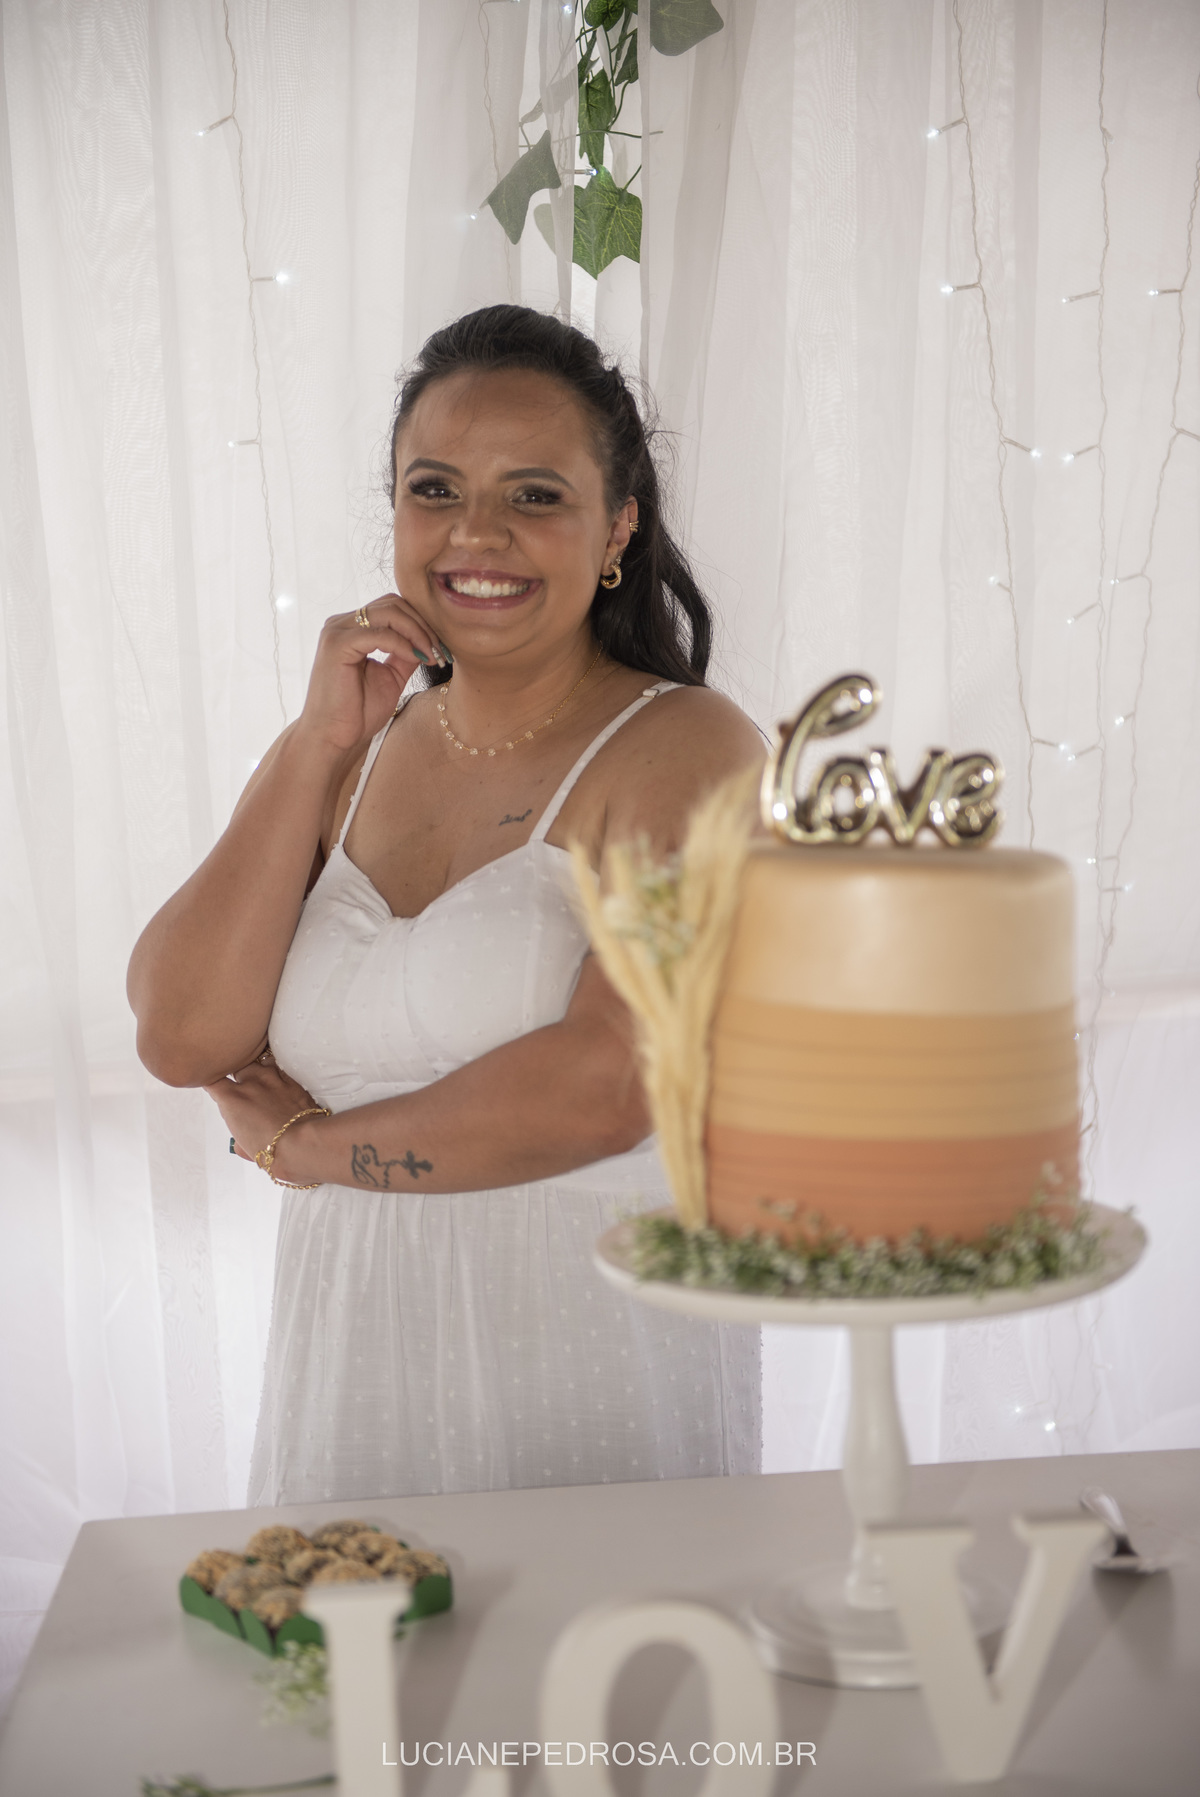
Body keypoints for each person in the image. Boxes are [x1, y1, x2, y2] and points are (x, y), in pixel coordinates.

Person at [128, 305, 764, 1505]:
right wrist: (315, 744)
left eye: (535, 495)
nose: (477, 534)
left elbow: (611, 1084)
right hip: (348, 1363)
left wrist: (306, 1145)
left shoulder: (691, 750)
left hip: (591, 1357)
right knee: (355, 1629)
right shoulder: (349, 754)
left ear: (618, 526)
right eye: (436, 490)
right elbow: (182, 1032)